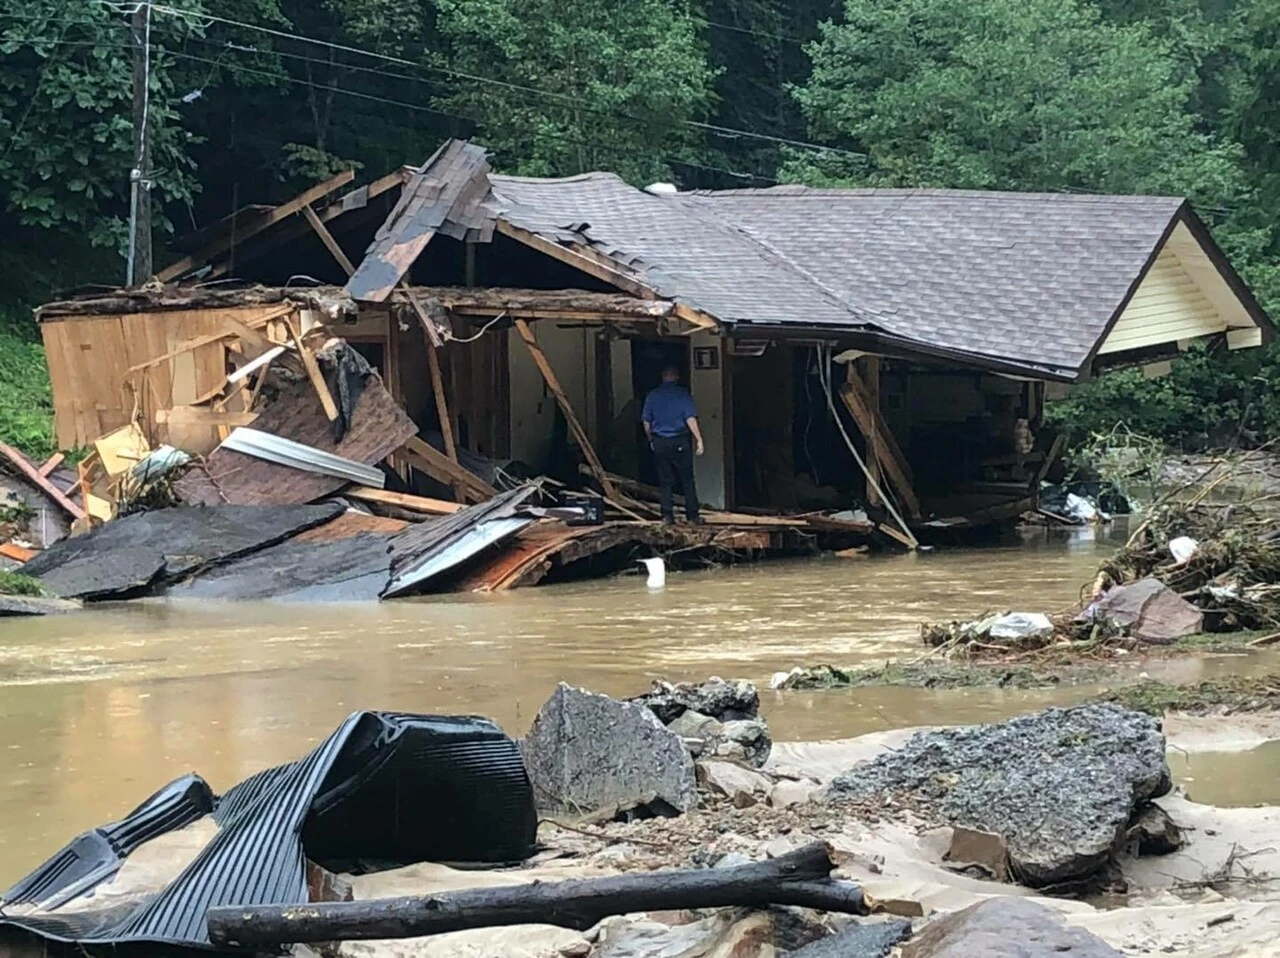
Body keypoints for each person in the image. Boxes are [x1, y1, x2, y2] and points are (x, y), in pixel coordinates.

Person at [642, 364, 704, 524]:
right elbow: (690, 418)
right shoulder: (683, 395)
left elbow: (646, 422)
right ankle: (692, 516)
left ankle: (667, 515)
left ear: (663, 377)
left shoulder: (652, 395)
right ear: (676, 377)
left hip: (660, 441)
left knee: (665, 480)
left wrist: (651, 439)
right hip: (679, 440)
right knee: (687, 479)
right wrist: (699, 439)